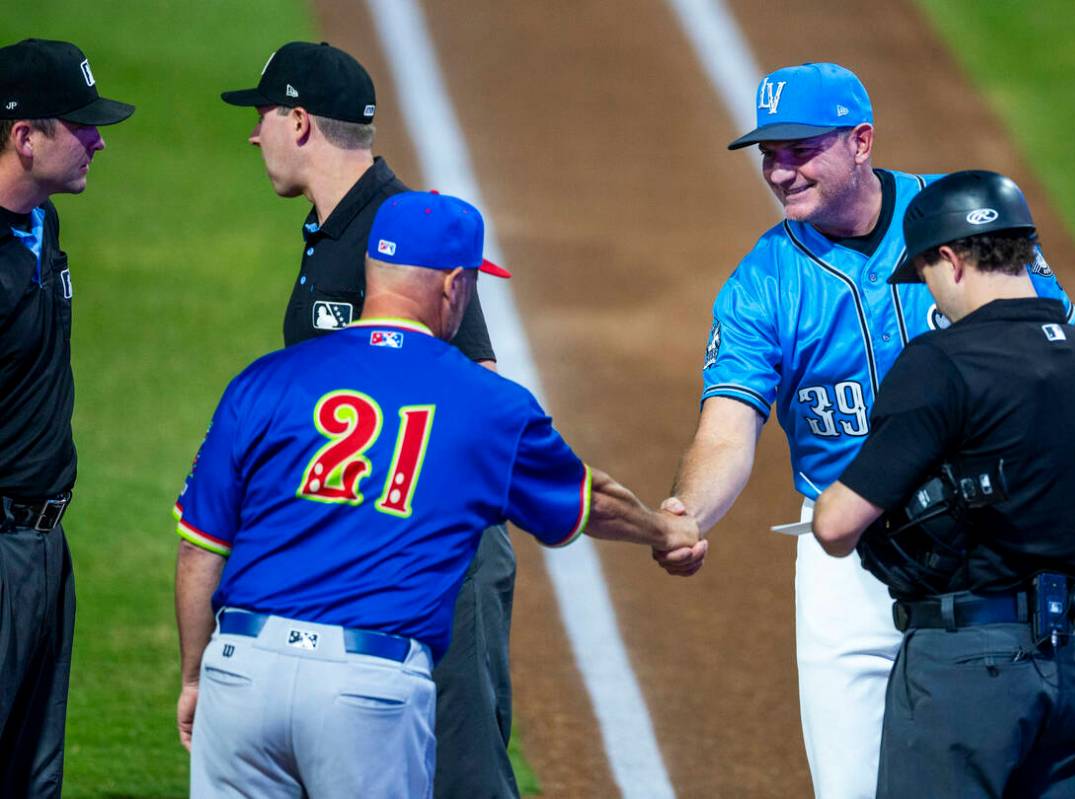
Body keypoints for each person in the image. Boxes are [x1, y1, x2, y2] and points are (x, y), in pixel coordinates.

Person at [173, 190, 698, 797]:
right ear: (454, 286)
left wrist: (194, 677)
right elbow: (591, 499)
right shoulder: (486, 403)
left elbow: (199, 549)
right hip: (365, 688)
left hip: (241, 672)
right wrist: (667, 531)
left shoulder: (262, 380)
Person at [655, 63, 1075, 797]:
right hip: (845, 556)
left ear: (860, 141)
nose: (779, 172)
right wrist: (688, 511)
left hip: (983, 546)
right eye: (769, 154)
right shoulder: (762, 282)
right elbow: (726, 429)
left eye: (798, 149)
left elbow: (1054, 354)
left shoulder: (960, 223)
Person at [218, 41, 519, 797]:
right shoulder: (334, 230)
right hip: (375, 564)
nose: (253, 136)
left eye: (262, 117)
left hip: (433, 561)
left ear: (297, 121)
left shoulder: (401, 234)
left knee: (461, 773)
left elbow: (478, 392)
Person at [811, 170, 1075, 796]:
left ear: (950, 259)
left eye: (927, 274)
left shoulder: (940, 362)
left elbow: (834, 526)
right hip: (1067, 667)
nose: (931, 291)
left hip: (966, 671)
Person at [0, 38, 133, 797]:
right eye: (79, 125)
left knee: (33, 778)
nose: (98, 138)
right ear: (25, 136)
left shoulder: (42, 224)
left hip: (46, 547)